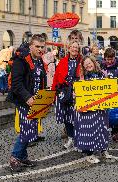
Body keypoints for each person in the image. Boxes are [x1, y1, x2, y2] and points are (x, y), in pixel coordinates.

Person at [8, 34, 47, 172]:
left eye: (42, 47)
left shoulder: (40, 60)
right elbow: (16, 84)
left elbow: (42, 79)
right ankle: (14, 157)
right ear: (31, 46)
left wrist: (44, 97)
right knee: (26, 129)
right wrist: (27, 98)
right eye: (37, 46)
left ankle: (23, 157)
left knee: (32, 129)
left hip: (36, 101)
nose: (40, 49)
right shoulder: (21, 60)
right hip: (24, 101)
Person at [74, 56, 112, 163]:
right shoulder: (82, 77)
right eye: (86, 65)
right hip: (88, 110)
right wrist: (75, 93)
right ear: (83, 67)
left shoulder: (103, 74)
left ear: (94, 63)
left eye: (89, 63)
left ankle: (103, 149)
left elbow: (109, 88)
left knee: (102, 128)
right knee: (89, 130)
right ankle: (89, 154)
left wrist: (115, 89)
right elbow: (77, 91)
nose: (88, 66)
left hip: (101, 108)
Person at [52, 41, 82, 149]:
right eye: (73, 47)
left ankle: (78, 138)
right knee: (66, 117)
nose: (74, 49)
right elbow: (56, 77)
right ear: (69, 48)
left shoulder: (81, 61)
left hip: (77, 93)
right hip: (64, 93)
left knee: (77, 117)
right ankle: (70, 138)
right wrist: (53, 93)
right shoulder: (62, 61)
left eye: (76, 48)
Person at [100, 48, 118, 142]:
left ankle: (115, 133)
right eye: (108, 59)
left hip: (117, 94)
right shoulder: (101, 66)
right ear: (105, 58)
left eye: (111, 59)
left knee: (116, 114)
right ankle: (104, 131)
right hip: (104, 94)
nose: (109, 61)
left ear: (114, 58)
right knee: (105, 113)